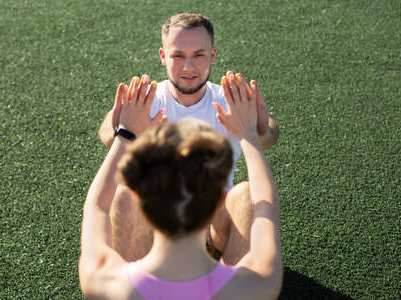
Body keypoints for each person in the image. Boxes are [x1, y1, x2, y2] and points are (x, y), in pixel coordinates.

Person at [79, 73, 282, 299]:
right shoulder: (253, 286)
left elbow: (97, 206)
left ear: (139, 198)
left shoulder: (105, 281)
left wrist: (124, 135)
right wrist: (249, 136)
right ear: (218, 201)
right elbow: (266, 205)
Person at [98, 13, 280, 263]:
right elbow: (107, 130)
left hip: (214, 222)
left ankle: (229, 288)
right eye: (178, 56)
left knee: (247, 195)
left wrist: (258, 127)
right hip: (157, 220)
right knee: (124, 196)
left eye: (199, 55)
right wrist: (126, 131)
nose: (188, 67)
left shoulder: (229, 102)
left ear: (213, 55)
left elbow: (268, 134)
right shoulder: (148, 100)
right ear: (163, 57)